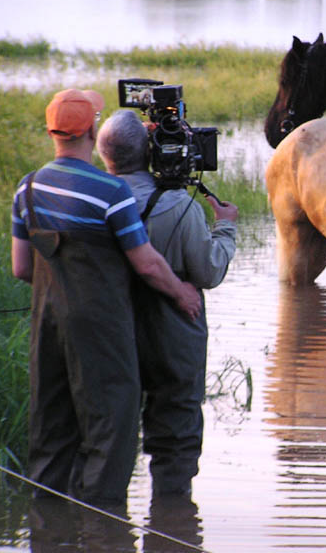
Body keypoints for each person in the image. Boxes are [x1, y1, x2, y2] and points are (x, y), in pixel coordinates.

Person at [11, 89, 202, 508]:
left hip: (47, 325)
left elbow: (22, 268)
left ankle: (50, 526)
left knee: (51, 426)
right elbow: (147, 264)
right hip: (101, 328)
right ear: (91, 131)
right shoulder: (109, 192)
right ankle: (103, 527)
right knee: (110, 429)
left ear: (52, 131)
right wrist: (183, 293)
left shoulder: (26, 189)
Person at [97, 109, 238, 498]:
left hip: (112, 331)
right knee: (176, 428)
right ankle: (173, 520)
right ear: (151, 152)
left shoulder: (92, 203)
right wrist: (226, 227)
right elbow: (208, 273)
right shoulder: (179, 205)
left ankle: (106, 524)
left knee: (110, 429)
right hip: (173, 332)